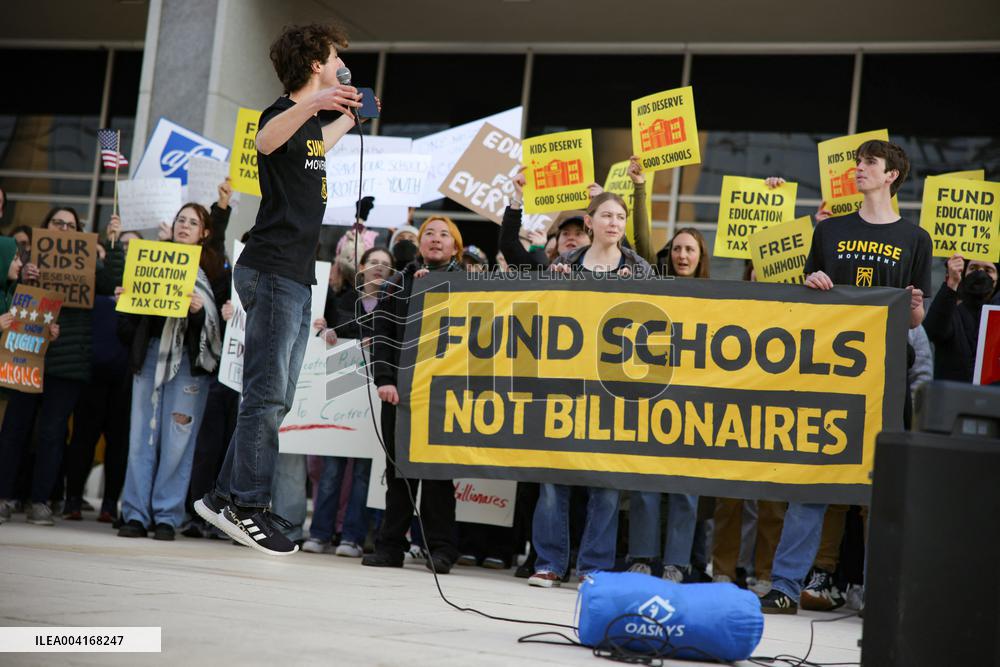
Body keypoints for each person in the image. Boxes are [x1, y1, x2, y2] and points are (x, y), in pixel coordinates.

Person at [194, 22, 367, 556]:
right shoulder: (279, 114)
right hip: (269, 268)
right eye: (334, 55)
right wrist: (318, 104)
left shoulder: (309, 128)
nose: (341, 62)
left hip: (293, 274)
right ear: (316, 62)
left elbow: (319, 145)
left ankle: (223, 497)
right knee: (267, 394)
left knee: (278, 395)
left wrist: (350, 114)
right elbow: (265, 140)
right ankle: (246, 504)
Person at [760, 140, 931, 614]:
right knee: (813, 482)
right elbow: (808, 302)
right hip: (829, 374)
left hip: (886, 377)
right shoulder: (831, 230)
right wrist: (811, 283)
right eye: (857, 163)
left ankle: (883, 595)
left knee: (881, 488)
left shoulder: (916, 239)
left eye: (869, 164)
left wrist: (915, 309)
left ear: (892, 174)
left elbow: (915, 321)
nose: (858, 170)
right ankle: (785, 587)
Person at [528, 192, 651, 588]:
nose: (614, 223)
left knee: (606, 481)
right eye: (607, 216)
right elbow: (538, 317)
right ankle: (549, 562)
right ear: (590, 221)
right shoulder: (563, 264)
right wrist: (554, 289)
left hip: (616, 390)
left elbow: (657, 326)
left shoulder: (640, 270)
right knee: (552, 477)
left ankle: (593, 568)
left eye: (620, 217)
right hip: (564, 385)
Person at [0, 207, 122, 525]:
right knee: (15, 430)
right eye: (58, 223)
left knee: (53, 434)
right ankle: (5, 497)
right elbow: (10, 300)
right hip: (28, 354)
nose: (64, 228)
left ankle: (42, 501)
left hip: (68, 363)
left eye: (71, 225)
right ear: (46, 226)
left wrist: (111, 243)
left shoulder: (88, 263)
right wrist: (25, 279)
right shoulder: (27, 261)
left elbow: (112, 282)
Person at [115, 203, 225, 540]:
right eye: (181, 220)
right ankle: (134, 514)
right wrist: (127, 303)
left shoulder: (215, 271)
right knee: (141, 438)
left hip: (189, 366)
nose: (184, 226)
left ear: (204, 233)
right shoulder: (148, 259)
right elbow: (126, 331)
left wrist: (196, 313)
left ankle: (167, 516)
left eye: (193, 222)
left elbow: (219, 324)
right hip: (149, 358)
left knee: (178, 442)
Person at [362, 217, 463, 573]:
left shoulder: (469, 285)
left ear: (456, 246)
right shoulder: (396, 285)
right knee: (399, 473)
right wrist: (384, 380)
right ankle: (390, 546)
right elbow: (383, 335)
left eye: (444, 234)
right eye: (429, 234)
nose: (435, 239)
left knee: (438, 476)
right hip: (401, 394)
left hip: (443, 396)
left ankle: (441, 549)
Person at [303, 246, 392, 556]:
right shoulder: (342, 300)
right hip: (342, 393)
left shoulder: (394, 305)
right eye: (373, 263)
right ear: (362, 268)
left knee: (363, 472)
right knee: (331, 469)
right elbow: (328, 332)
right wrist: (326, 332)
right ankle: (320, 534)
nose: (379, 268)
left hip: (374, 395)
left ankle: (352, 537)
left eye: (385, 264)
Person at [923, 255, 998, 382]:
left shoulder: (997, 318)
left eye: (988, 270)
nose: (980, 273)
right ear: (964, 275)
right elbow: (932, 331)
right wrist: (951, 283)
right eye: (973, 268)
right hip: (952, 397)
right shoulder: (950, 312)